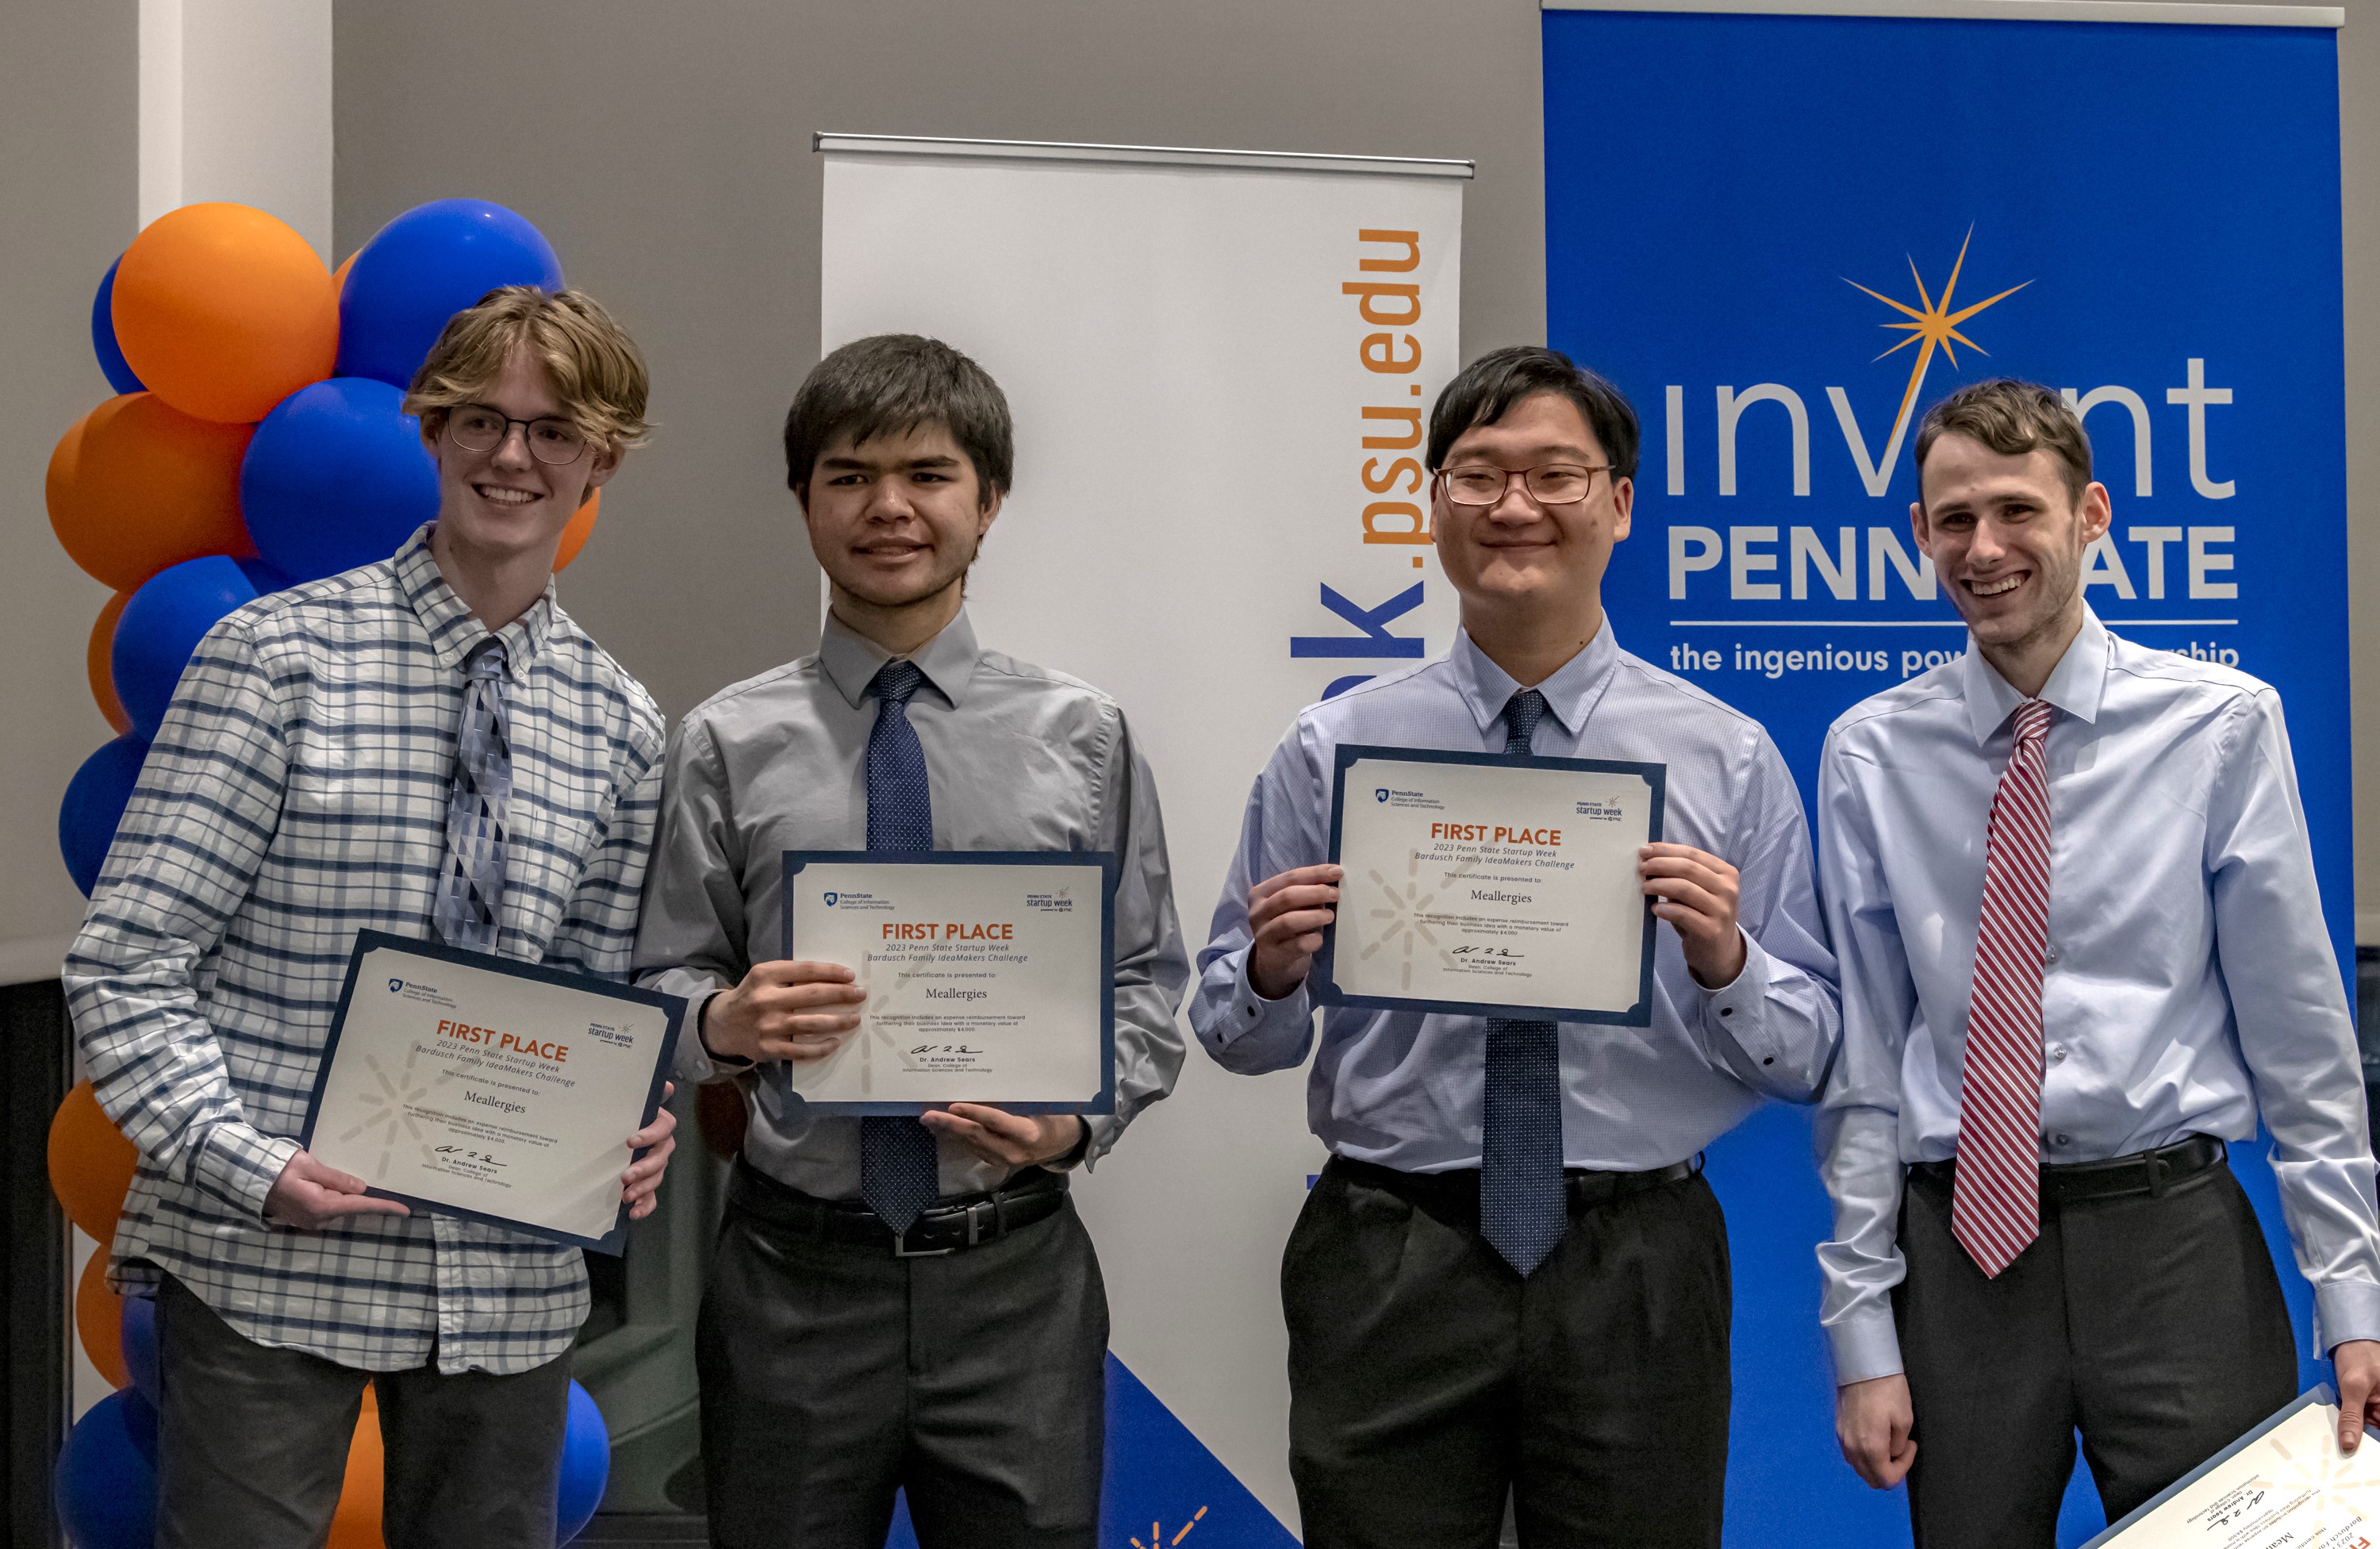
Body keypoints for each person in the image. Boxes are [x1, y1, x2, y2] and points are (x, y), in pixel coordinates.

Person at [1186, 345, 1840, 1549]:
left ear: (1621, 503)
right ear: (1433, 501)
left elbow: (1809, 1052)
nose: (1515, 507)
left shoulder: (1725, 756)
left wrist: (1729, 964)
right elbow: (1232, 1031)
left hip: (1636, 1258)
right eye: (1477, 475)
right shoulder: (1332, 750)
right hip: (1393, 1253)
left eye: (1554, 474)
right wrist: (1272, 970)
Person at [63, 285, 680, 1548]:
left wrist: (631, 1122)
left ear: (602, 458)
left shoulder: (621, 721)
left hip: (503, 1284)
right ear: (430, 432)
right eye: (479, 422)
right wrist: (252, 1165)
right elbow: (128, 962)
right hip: (262, 1261)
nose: (513, 457)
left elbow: (594, 995)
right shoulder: (275, 659)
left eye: (554, 430)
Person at [632, 332, 1188, 1549]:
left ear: (987, 502)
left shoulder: (1083, 737)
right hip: (791, 1278)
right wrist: (720, 1023)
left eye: (928, 475)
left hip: (1013, 1281)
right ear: (803, 502)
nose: (890, 508)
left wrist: (1076, 1121)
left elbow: (1148, 984)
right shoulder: (724, 741)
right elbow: (651, 985)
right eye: (849, 475)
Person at [1816, 377, 2380, 1542]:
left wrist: (2353, 1300)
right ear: (1917, 535)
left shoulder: (2221, 726)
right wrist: (1861, 1333)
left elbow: (2302, 1042)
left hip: (2175, 1249)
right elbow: (1865, 1064)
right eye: (1952, 519)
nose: (1985, 548)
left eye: (2019, 510)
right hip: (1962, 1258)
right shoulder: (1868, 754)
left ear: (2092, 516)